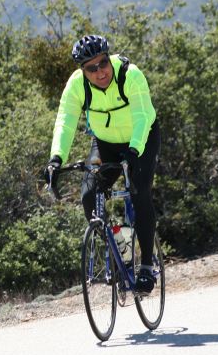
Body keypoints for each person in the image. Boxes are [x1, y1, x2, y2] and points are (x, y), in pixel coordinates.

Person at [45, 34, 160, 292]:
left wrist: (134, 150)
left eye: (103, 63)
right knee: (88, 195)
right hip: (105, 143)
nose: (100, 72)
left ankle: (146, 268)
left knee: (140, 191)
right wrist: (56, 159)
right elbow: (65, 121)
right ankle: (120, 253)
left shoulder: (130, 75)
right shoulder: (76, 86)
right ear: (82, 71)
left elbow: (142, 116)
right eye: (91, 68)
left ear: (110, 59)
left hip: (141, 139)